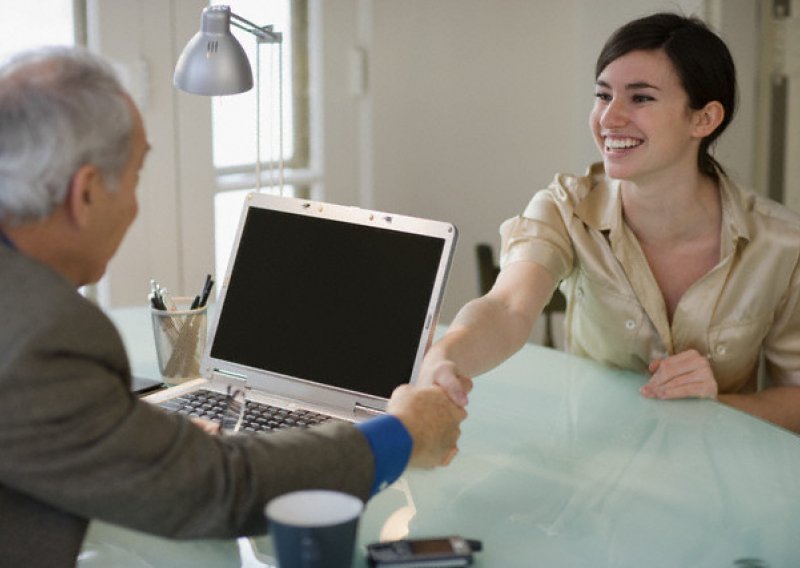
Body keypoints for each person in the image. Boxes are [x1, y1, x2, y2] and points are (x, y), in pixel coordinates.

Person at [0, 46, 465, 568]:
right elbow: (218, 489)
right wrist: (400, 434)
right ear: (85, 193)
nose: (134, 204)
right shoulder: (41, 334)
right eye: (134, 179)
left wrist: (140, 439)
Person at [422, 12, 800, 434]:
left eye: (640, 98)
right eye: (603, 96)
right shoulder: (565, 207)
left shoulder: (781, 243)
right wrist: (445, 358)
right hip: (591, 469)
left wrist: (717, 406)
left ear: (704, 119)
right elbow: (508, 307)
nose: (609, 118)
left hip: (719, 478)